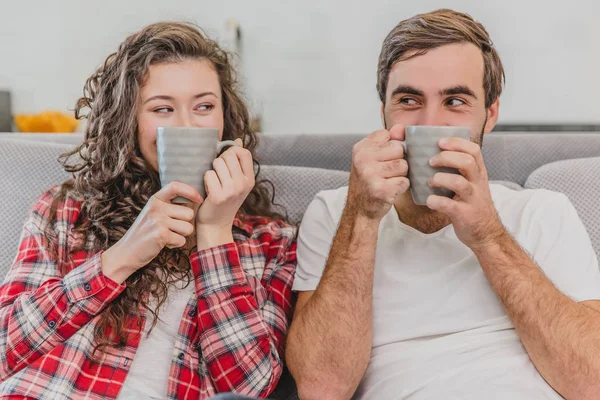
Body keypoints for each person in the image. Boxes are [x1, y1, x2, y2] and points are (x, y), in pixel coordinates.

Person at [286, 9, 600, 400]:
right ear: (382, 110)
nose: (429, 122)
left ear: (490, 115)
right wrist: (363, 216)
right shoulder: (337, 213)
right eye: (408, 100)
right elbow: (322, 389)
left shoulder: (542, 211)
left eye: (454, 101)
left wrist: (488, 237)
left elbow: (593, 382)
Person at [0, 22, 297, 400]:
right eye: (163, 109)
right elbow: (5, 349)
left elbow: (246, 388)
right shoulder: (66, 210)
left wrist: (216, 233)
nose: (187, 126)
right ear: (130, 122)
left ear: (226, 120)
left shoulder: (272, 242)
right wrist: (123, 256)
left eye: (204, 106)